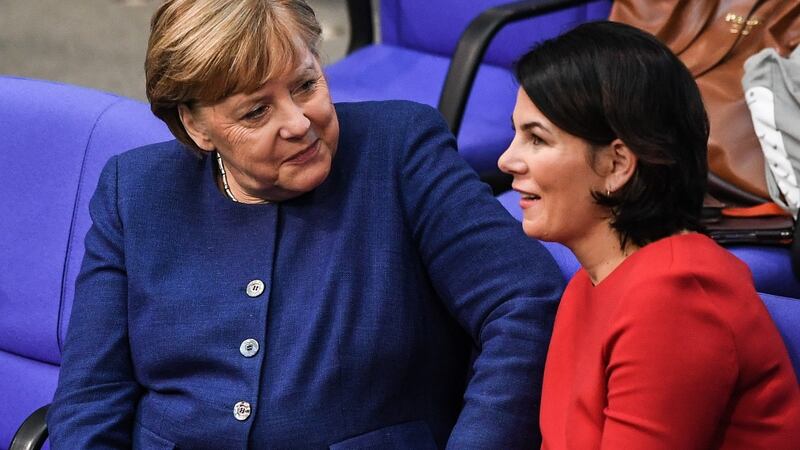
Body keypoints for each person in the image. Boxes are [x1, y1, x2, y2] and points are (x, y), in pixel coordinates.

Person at [46, 0, 564, 448]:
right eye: (255, 112)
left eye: (306, 84)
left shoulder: (398, 151)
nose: (298, 123)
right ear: (195, 125)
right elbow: (92, 397)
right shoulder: (134, 191)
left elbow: (524, 303)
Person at [498, 21, 800, 449]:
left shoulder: (675, 301)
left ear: (618, 164)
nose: (507, 160)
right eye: (515, 134)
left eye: (536, 139)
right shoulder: (589, 281)